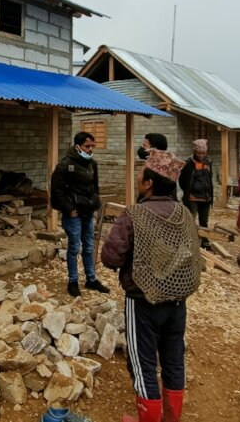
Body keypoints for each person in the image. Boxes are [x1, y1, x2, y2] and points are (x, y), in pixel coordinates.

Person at [101, 149, 201, 422]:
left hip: (143, 302)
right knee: (173, 358)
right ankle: (172, 418)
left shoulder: (135, 214)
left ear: (148, 183)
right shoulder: (184, 214)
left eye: (140, 173)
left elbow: (111, 257)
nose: (137, 177)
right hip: (177, 302)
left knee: (143, 363)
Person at [51, 131, 111, 297]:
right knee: (74, 248)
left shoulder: (92, 164)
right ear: (77, 147)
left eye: (92, 146)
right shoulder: (65, 165)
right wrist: (69, 209)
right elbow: (56, 191)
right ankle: (73, 281)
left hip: (88, 212)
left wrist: (95, 203)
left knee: (89, 247)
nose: (90, 149)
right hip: (74, 215)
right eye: (87, 146)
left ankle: (91, 279)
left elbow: (95, 188)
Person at [178, 139, 214, 248]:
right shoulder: (188, 163)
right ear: (194, 151)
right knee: (190, 221)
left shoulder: (209, 162)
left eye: (203, 153)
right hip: (192, 198)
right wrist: (189, 192)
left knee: (204, 222)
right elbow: (182, 181)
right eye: (199, 153)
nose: (201, 156)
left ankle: (204, 242)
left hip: (206, 198)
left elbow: (210, 178)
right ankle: (188, 243)